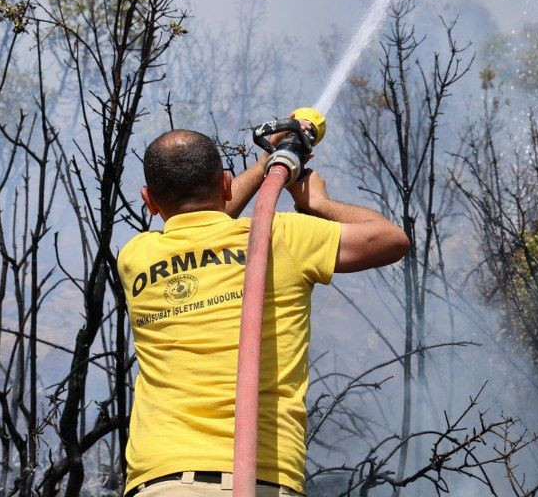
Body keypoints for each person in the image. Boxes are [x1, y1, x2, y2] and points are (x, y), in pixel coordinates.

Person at [117, 126, 409, 497]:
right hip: (261, 481)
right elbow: (391, 240)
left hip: (160, 484)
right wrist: (318, 202)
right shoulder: (282, 237)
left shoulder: (136, 257)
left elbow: (210, 216)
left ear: (149, 200)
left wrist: (264, 167)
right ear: (224, 182)